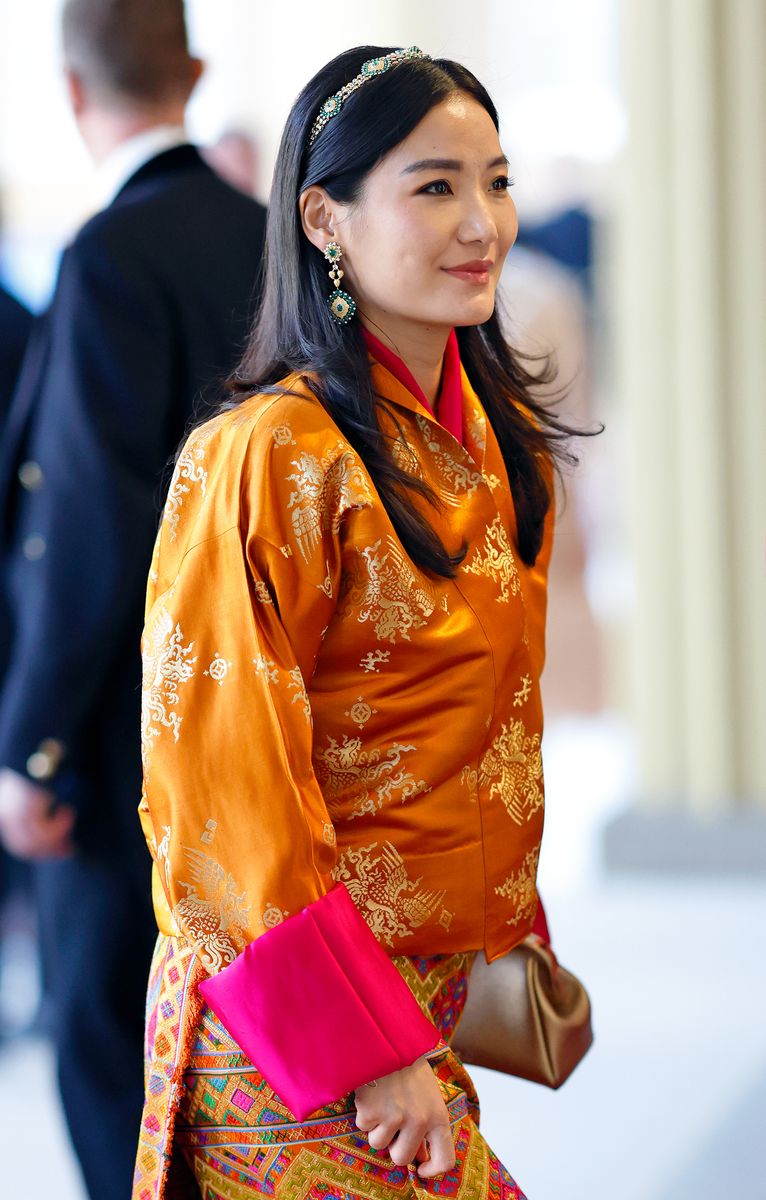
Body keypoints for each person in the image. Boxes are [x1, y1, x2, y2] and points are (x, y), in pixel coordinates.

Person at [135, 45, 579, 1200]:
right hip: (290, 1032)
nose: (481, 221)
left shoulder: (495, 437)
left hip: (421, 997)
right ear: (323, 218)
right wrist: (366, 1050)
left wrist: (501, 930)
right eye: (434, 186)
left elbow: (488, 721)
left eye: (495, 179)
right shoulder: (265, 456)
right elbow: (221, 791)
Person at [0, 1, 266, 1195]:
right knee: (234, 1052)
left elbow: (93, 530)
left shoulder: (111, 254)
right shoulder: (278, 239)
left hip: (125, 743)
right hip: (261, 718)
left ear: (68, 90)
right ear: (193, 69)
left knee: (115, 1056)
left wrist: (36, 749)